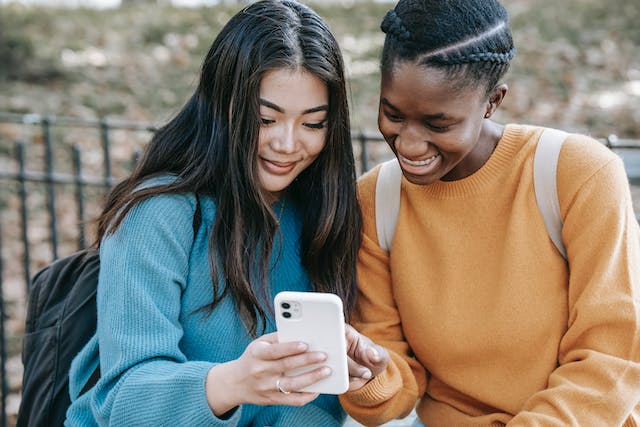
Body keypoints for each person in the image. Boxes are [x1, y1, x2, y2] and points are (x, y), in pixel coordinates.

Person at [64, 1, 366, 425]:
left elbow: (309, 409)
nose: (287, 143)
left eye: (313, 124)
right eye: (265, 119)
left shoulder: (322, 215)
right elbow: (123, 402)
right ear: (224, 107)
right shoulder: (159, 214)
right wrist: (234, 383)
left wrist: (352, 375)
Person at [341, 0, 640, 425]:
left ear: (492, 103)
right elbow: (398, 382)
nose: (408, 144)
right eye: (392, 114)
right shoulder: (374, 201)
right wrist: (366, 377)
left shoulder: (579, 175)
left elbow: (613, 357)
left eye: (438, 124)